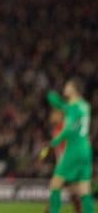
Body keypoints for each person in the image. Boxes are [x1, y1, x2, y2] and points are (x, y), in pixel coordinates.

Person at [45, 79, 94, 213]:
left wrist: (55, 141)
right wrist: (53, 98)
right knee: (84, 189)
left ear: (74, 89)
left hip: (74, 148)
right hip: (86, 149)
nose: (65, 87)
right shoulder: (85, 105)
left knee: (55, 184)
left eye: (68, 86)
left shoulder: (73, 107)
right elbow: (64, 107)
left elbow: (69, 129)